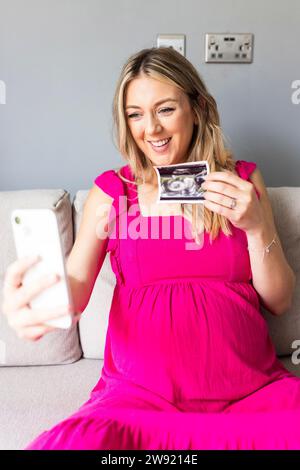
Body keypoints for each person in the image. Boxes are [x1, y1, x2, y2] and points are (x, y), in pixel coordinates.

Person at [2, 47, 299, 450]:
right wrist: (39, 302)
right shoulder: (112, 192)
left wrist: (257, 227)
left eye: (165, 109)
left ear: (196, 108)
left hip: (249, 394)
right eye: (135, 114)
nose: (151, 130)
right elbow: (75, 281)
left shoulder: (242, 181)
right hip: (138, 402)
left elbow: (279, 301)